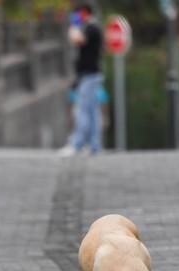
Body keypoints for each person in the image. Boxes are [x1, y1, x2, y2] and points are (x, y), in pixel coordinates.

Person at [60, 3, 103, 156]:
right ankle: (94, 145)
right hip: (90, 75)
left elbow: (76, 39)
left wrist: (74, 25)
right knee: (92, 112)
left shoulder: (92, 28)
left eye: (78, 14)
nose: (77, 17)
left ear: (84, 13)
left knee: (82, 110)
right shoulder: (92, 28)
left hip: (89, 75)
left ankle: (77, 144)